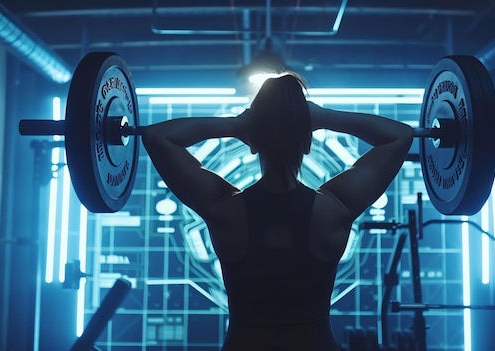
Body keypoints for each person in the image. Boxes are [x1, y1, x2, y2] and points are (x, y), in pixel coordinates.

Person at [142, 73, 414, 351]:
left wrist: (239, 124)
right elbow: (399, 136)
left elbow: (158, 136)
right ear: (308, 143)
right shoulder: (334, 209)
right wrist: (324, 117)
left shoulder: (224, 208)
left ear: (251, 142)